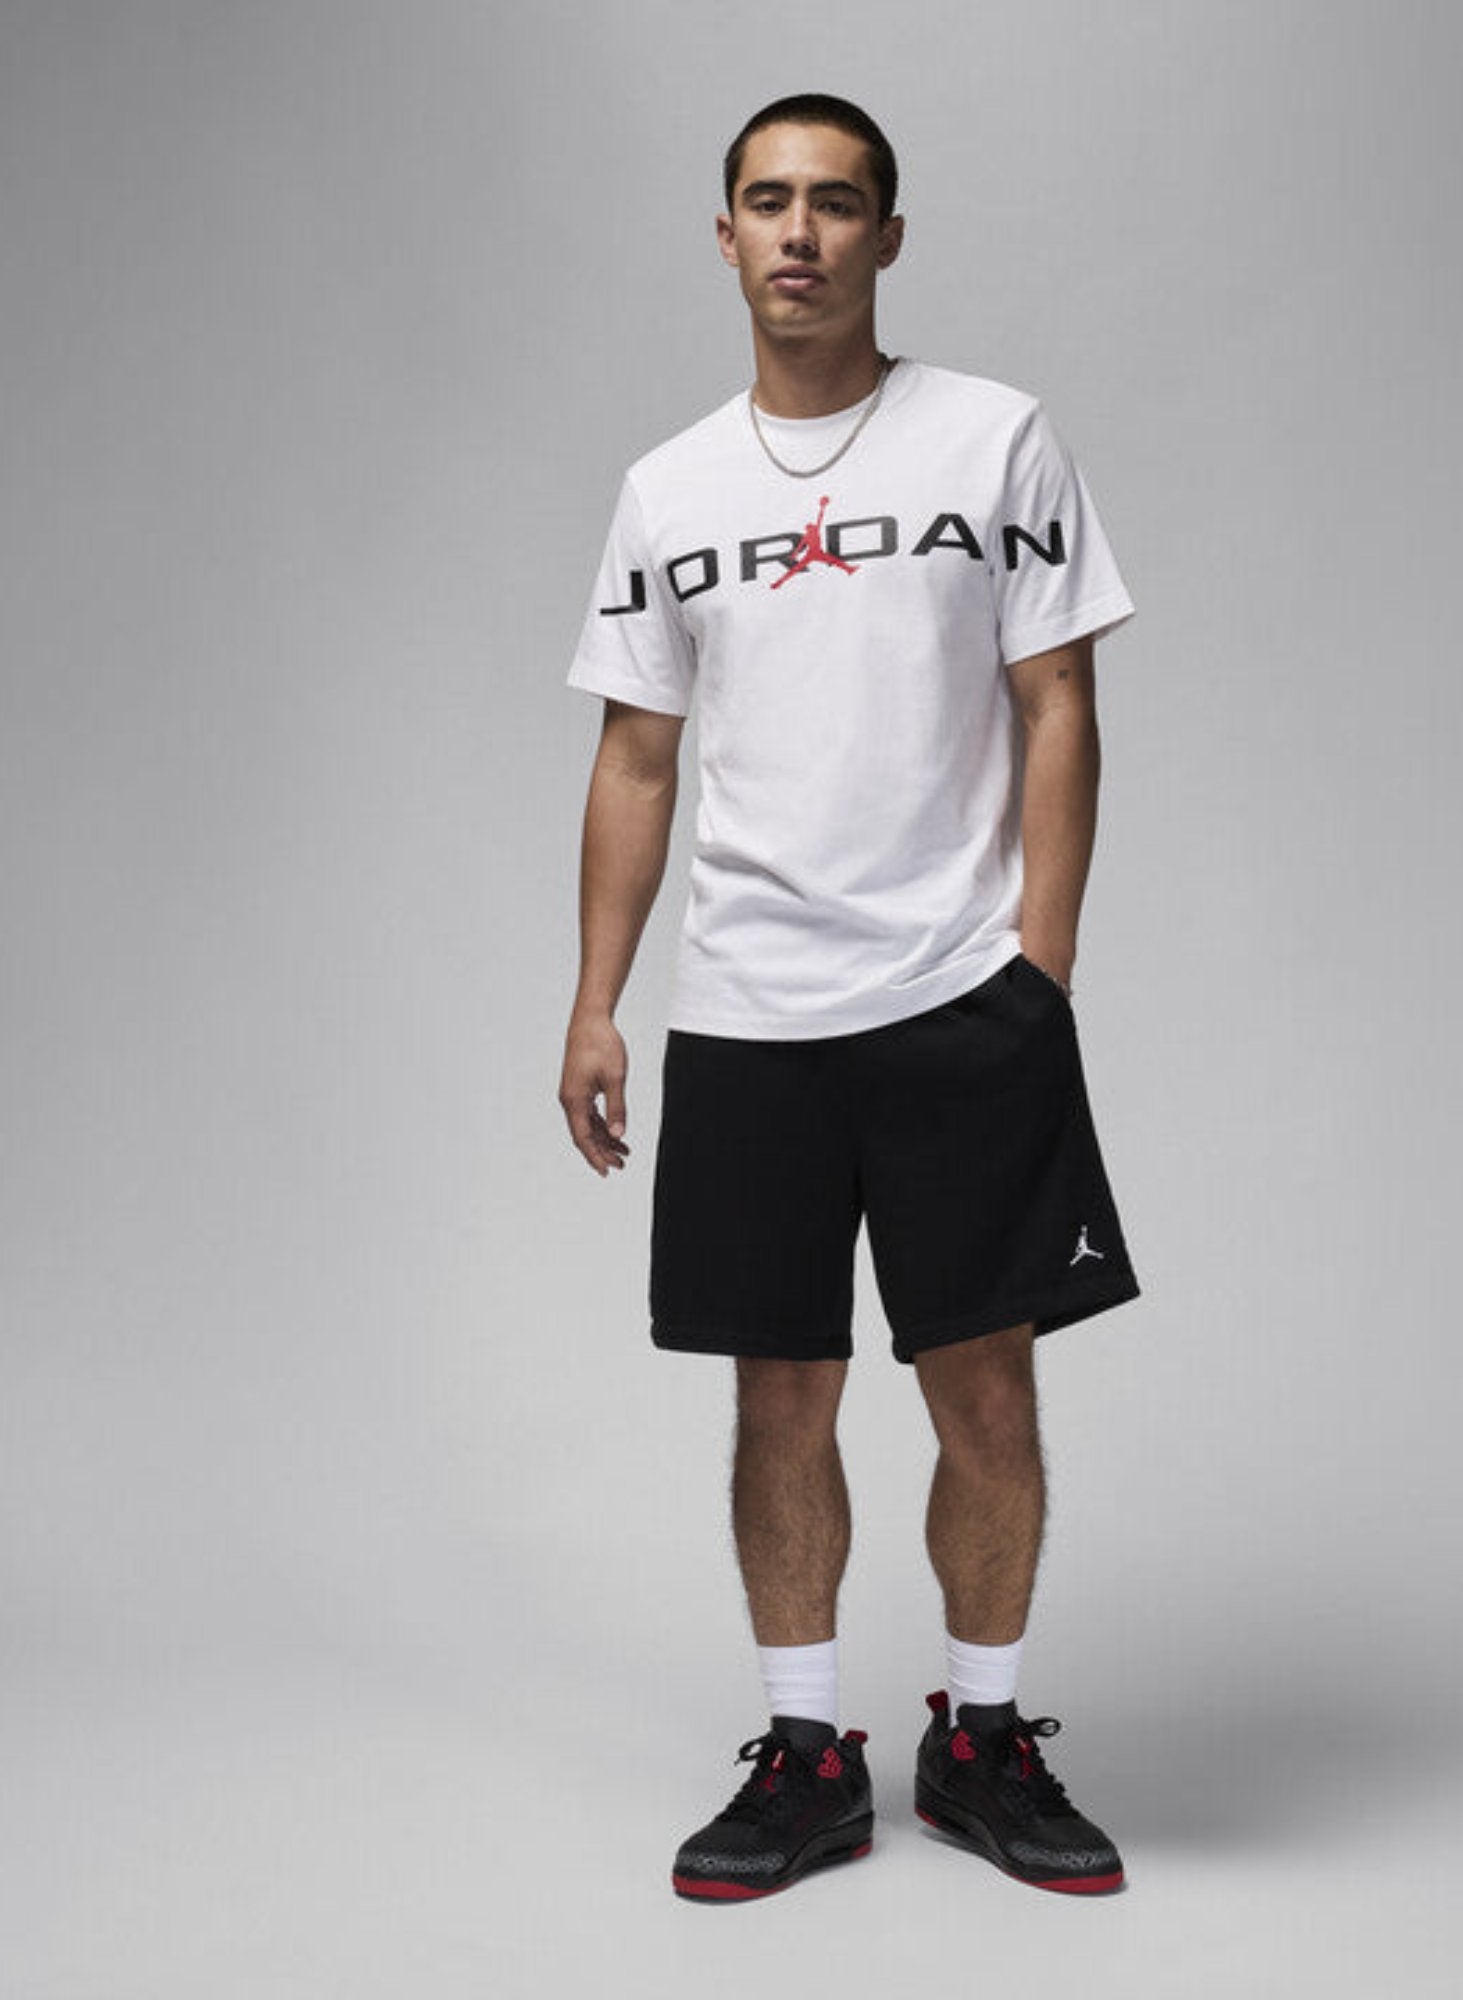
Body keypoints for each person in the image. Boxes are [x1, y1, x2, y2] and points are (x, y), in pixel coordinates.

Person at [557, 93, 1139, 1901]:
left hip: (961, 996)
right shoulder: (672, 487)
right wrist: (595, 1003)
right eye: (767, 202)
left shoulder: (994, 438)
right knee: (780, 1404)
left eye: (834, 203)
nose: (798, 233)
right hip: (750, 1014)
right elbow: (636, 756)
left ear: (889, 235)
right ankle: (808, 1759)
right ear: (725, 235)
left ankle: (983, 1740)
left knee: (988, 1397)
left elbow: (1059, 702)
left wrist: (1040, 968)